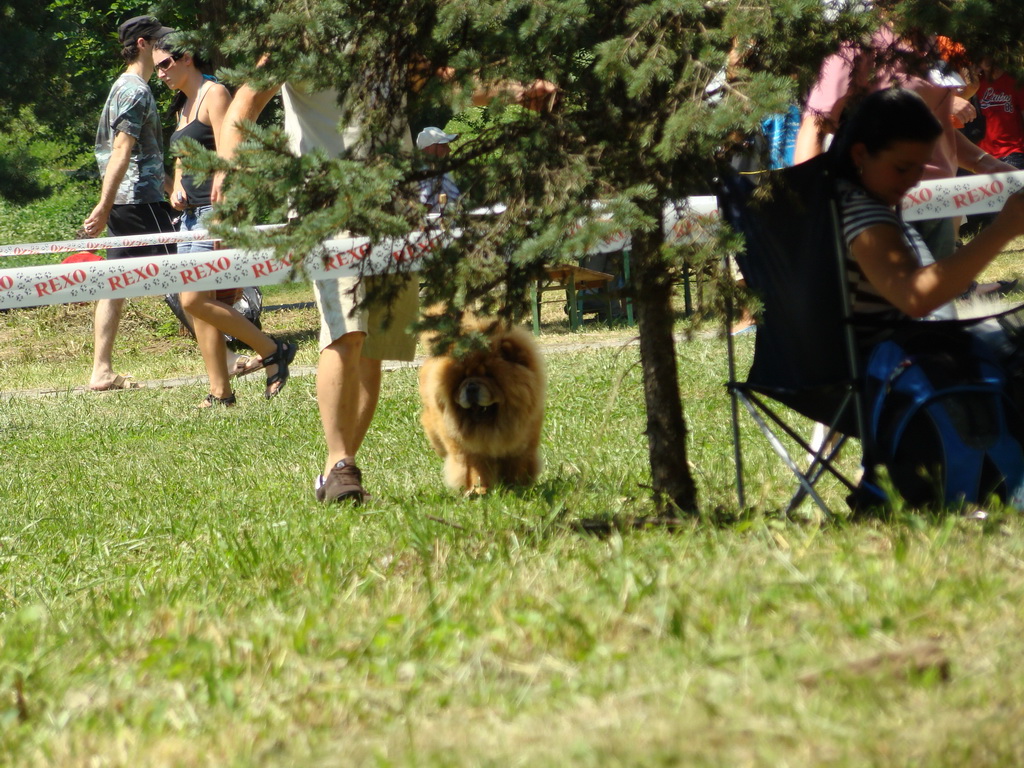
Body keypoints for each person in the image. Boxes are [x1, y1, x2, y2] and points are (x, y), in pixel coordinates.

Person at [212, 60, 555, 504]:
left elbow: (452, 81)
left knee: (374, 345)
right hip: (328, 202)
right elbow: (246, 102)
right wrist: (228, 169)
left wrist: (517, 90)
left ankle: (338, 470)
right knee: (347, 332)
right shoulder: (301, 30)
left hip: (394, 207)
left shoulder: (386, 32)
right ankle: (340, 464)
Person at [793, 23, 1015, 266]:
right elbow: (815, 126)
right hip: (886, 206)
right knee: (917, 298)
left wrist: (985, 163)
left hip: (940, 202)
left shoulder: (930, 42)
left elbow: (934, 126)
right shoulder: (857, 45)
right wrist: (815, 210)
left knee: (935, 299)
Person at [152, 32, 294, 407]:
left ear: (187, 59)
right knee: (200, 306)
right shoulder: (183, 106)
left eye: (165, 64)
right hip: (189, 216)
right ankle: (220, 391)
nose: (161, 74)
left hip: (214, 213)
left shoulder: (215, 94)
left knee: (195, 300)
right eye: (156, 69)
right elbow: (183, 155)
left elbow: (234, 147)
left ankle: (272, 349)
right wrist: (178, 186)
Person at [829, 88, 1024, 355]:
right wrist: (1003, 230)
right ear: (860, 154)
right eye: (901, 168)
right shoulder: (863, 213)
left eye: (921, 168)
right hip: (880, 364)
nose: (912, 181)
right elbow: (917, 298)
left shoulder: (844, 196)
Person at [82, 15, 177, 391]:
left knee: (115, 285)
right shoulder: (135, 90)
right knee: (187, 275)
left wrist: (171, 187)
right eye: (160, 43)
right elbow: (122, 150)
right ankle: (225, 356)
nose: (167, 50)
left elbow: (143, 153)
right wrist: (103, 207)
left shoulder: (125, 87)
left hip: (135, 197)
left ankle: (101, 371)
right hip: (139, 200)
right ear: (143, 44)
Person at [416, 126, 461, 213]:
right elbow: (424, 206)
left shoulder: (441, 171)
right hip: (435, 225)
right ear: (428, 149)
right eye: (443, 146)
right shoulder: (423, 173)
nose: (449, 150)